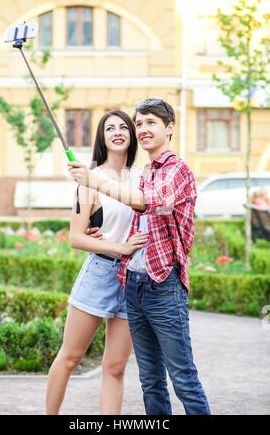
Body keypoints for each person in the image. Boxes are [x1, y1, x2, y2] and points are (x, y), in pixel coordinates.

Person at [68, 98, 211, 415]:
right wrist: (99, 232)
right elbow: (133, 218)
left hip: (164, 286)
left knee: (183, 380)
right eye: (140, 123)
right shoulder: (145, 172)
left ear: (169, 128)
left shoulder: (177, 170)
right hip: (132, 284)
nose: (143, 129)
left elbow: (150, 203)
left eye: (151, 123)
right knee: (151, 381)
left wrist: (94, 180)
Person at [46, 109, 148, 415]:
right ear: (102, 138)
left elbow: (152, 213)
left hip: (133, 279)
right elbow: (76, 237)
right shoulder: (88, 180)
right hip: (100, 273)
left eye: (123, 127)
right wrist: (121, 247)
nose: (117, 132)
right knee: (70, 357)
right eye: (109, 129)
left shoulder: (144, 177)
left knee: (115, 368)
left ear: (131, 134)